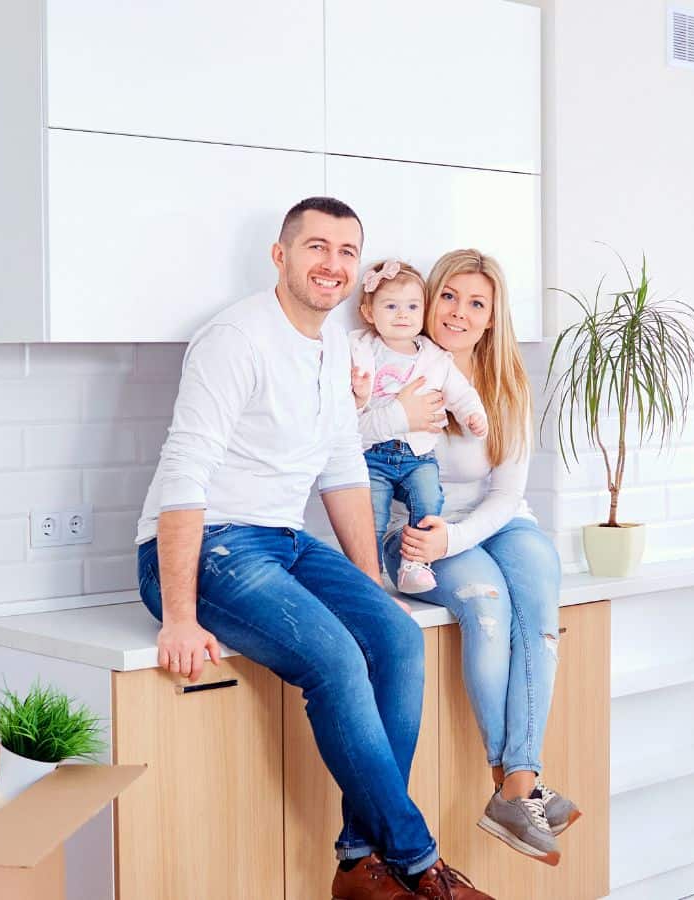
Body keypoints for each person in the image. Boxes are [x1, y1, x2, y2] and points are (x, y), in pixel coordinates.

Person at [136, 199, 491, 900]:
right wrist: (179, 615)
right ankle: (418, 866)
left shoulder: (333, 344)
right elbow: (185, 472)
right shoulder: (235, 338)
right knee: (334, 660)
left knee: (395, 636)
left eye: (346, 251)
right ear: (281, 255)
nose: (332, 264)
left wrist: (367, 582)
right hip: (206, 546)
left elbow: (339, 463)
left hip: (283, 541)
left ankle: (359, 860)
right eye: (316, 248)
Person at [375, 249, 577, 867]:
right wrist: (436, 540)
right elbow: (340, 449)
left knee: (539, 602)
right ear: (428, 297)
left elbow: (507, 495)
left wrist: (455, 541)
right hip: (414, 534)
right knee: (486, 606)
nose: (459, 313)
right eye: (449, 297)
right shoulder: (390, 368)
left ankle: (516, 784)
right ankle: (520, 787)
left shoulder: (508, 382)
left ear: (493, 319)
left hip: (492, 525)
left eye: (477, 303)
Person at [351, 257, 488, 594]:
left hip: (418, 455)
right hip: (372, 456)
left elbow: (460, 392)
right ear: (369, 313)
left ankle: (415, 563)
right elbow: (344, 416)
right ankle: (368, 576)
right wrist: (355, 395)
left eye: (412, 306)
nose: (402, 314)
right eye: (391, 306)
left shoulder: (434, 357)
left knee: (428, 499)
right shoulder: (360, 350)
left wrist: (473, 414)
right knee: (371, 516)